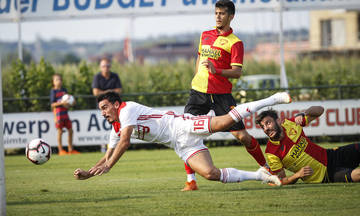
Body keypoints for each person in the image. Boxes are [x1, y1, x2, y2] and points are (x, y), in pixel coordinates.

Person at [73, 91, 292, 186]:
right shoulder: (116, 127)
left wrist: (110, 165)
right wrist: (89, 174)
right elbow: (107, 156)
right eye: (100, 110)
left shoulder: (126, 109)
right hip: (179, 144)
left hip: (181, 125)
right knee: (210, 174)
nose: (103, 113)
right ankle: (261, 176)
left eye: (104, 107)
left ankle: (273, 99)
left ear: (115, 104)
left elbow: (124, 143)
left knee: (224, 122)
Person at [181, 0, 267, 191]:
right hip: (198, 93)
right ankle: (190, 181)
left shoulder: (236, 43)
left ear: (231, 16)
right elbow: (199, 57)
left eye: (222, 13)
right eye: (216, 13)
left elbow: (237, 72)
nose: (218, 16)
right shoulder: (205, 35)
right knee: (186, 133)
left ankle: (267, 169)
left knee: (242, 136)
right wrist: (197, 76)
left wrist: (216, 71)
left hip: (221, 95)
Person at [255, 106, 360, 184]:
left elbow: (320, 110)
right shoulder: (271, 152)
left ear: (278, 121)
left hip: (331, 155)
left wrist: (304, 113)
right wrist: (297, 175)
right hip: (323, 175)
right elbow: (281, 180)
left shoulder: (290, 123)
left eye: (268, 123)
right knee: (357, 175)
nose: (266, 129)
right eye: (262, 127)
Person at [50, 74, 80, 155]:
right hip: (58, 114)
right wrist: (62, 102)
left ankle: (70, 150)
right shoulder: (53, 91)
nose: (58, 81)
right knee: (60, 131)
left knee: (70, 130)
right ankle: (61, 150)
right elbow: (52, 104)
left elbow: (67, 103)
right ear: (53, 82)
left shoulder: (64, 91)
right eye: (56, 80)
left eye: (60, 79)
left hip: (65, 113)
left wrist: (71, 102)